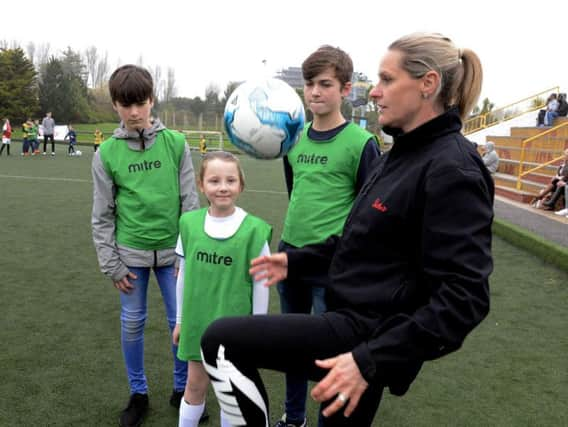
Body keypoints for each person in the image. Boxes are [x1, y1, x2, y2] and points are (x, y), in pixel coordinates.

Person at [200, 32, 493, 427]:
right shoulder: (402, 153)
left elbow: (465, 297)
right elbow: (364, 239)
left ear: (428, 85)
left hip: (364, 337)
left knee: (221, 341)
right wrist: (297, 261)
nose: (375, 93)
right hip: (352, 330)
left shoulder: (451, 168)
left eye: (387, 80)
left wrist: (369, 360)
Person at [276, 45, 380, 427]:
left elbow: (368, 212)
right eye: (309, 84)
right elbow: (295, 192)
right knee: (291, 349)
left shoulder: (360, 143)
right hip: (289, 257)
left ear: (346, 89)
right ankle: (293, 417)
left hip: (331, 268)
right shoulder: (293, 139)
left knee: (327, 356)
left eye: (325, 84)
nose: (315, 92)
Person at [91, 64, 200, 427]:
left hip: (173, 257)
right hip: (130, 256)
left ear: (152, 101)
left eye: (141, 103)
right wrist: (112, 264)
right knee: (132, 323)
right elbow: (102, 214)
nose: (135, 112)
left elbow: (190, 204)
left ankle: (181, 389)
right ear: (115, 106)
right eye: (126, 104)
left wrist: (187, 256)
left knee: (180, 322)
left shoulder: (177, 144)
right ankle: (138, 394)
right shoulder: (105, 154)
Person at [173, 151, 272, 427]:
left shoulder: (254, 230)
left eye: (230, 180)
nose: (223, 187)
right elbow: (182, 275)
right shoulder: (189, 224)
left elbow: (262, 283)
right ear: (201, 185)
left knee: (230, 394)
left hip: (235, 329)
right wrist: (180, 320)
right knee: (194, 386)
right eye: (214, 180)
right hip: (197, 323)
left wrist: (258, 329)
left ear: (241, 184)